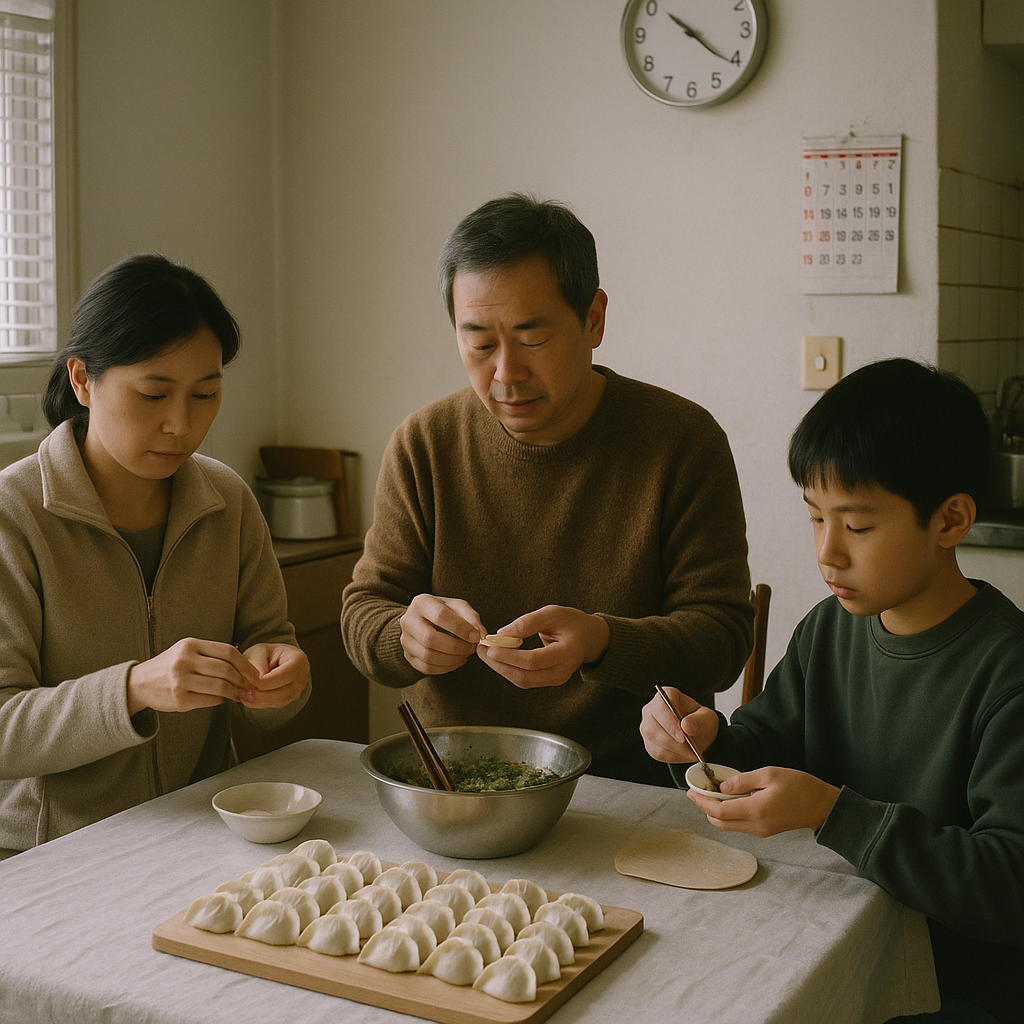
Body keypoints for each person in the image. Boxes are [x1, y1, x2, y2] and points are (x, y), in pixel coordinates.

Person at [640, 358, 1023, 1023]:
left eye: (858, 526)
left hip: (956, 985)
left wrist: (832, 813)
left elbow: (1009, 883)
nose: (828, 553)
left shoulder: (1006, 669)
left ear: (951, 520)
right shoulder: (830, 630)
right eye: (816, 518)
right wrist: (703, 745)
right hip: (830, 939)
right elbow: (764, 741)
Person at [342, 194, 753, 786]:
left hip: (629, 786)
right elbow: (363, 610)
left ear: (593, 318)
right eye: (479, 342)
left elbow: (722, 636)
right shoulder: (425, 443)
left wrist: (603, 642)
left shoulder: (681, 442)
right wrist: (404, 637)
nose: (506, 373)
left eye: (532, 338)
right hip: (456, 780)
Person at [0, 253, 310, 856]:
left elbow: (271, 646)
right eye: (153, 394)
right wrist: (134, 689)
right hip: (51, 857)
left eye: (206, 395)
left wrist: (281, 681)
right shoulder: (14, 516)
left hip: (200, 837)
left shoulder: (227, 502)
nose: (181, 425)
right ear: (82, 380)